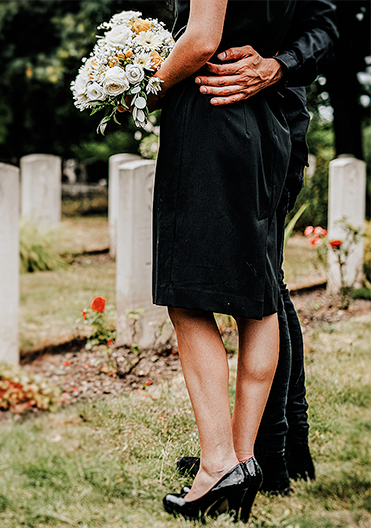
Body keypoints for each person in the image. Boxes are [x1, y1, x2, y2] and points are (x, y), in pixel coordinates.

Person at [174, 0, 337, 496]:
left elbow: (325, 25)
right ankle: (259, 458)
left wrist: (276, 65)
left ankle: (265, 456)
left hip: (261, 117)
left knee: (258, 289)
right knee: (267, 287)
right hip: (258, 119)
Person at [146, 0, 301, 521]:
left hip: (214, 118)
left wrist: (141, 91)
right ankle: (243, 458)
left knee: (186, 299)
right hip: (266, 114)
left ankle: (216, 464)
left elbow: (201, 39)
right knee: (260, 302)